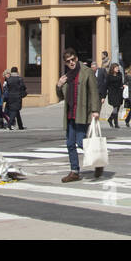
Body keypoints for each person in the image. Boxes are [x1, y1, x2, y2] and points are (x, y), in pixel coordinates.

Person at [56, 47, 101, 183]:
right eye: (68, 61)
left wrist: (95, 110)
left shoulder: (86, 72)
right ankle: (74, 171)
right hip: (70, 113)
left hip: (82, 112)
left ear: (76, 58)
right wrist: (58, 85)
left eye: (73, 59)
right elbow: (61, 96)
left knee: (81, 141)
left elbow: (94, 92)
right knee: (70, 143)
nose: (71, 63)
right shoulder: (67, 76)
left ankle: (97, 161)